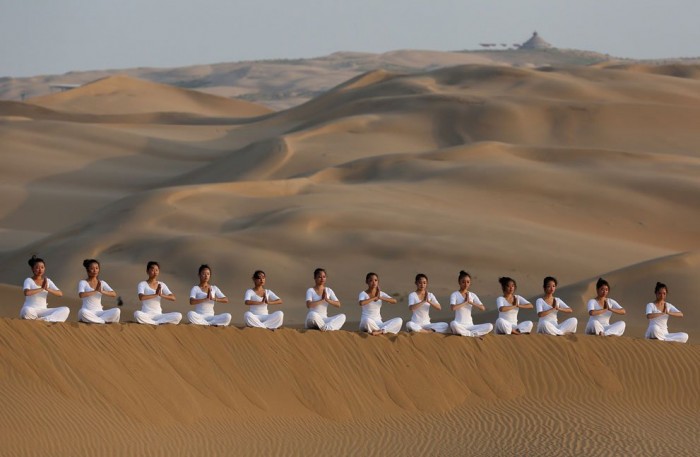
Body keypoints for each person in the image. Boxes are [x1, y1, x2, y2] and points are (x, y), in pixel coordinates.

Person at [20, 255, 69, 322]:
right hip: (31, 310)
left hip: (43, 311)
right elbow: (27, 293)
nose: (40, 270)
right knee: (26, 310)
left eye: (42, 267)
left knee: (65, 309)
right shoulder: (28, 280)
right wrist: (41, 289)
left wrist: (47, 289)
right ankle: (44, 320)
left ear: (44, 268)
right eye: (37, 268)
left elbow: (60, 294)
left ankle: (43, 320)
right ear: (32, 269)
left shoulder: (48, 281)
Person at [134, 261, 182, 325]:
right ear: (147, 271)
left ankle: (155, 323)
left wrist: (161, 295)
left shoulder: (162, 284)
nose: (155, 272)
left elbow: (173, 298)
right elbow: (141, 297)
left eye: (156, 270)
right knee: (137, 314)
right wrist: (155, 294)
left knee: (178, 315)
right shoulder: (142, 284)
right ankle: (157, 323)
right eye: (152, 270)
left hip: (158, 315)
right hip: (146, 314)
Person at [449, 270, 493, 337]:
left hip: (470, 326)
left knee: (490, 326)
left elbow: (482, 308)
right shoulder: (454, 294)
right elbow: (453, 308)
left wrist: (471, 302)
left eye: (468, 282)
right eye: (463, 282)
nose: (466, 284)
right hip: (459, 324)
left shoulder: (472, 295)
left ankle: (467, 334)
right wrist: (465, 302)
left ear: (470, 283)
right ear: (459, 282)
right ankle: (473, 334)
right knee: (453, 324)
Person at [77, 258, 120, 324]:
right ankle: (102, 321)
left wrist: (102, 291)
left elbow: (113, 294)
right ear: (88, 270)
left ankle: (98, 320)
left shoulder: (102, 283)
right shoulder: (83, 282)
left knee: (117, 311)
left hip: (100, 312)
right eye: (92, 268)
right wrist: (95, 291)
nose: (95, 270)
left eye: (97, 268)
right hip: (88, 311)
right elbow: (81, 295)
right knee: (82, 312)